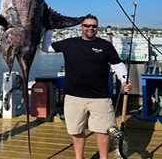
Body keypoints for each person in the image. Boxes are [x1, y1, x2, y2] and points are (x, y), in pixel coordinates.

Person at [51, 14, 132, 159]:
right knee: (76, 131)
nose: (90, 28)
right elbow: (46, 48)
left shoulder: (105, 45)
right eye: (87, 25)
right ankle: (79, 157)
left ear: (97, 28)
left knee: (103, 131)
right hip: (73, 96)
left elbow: (118, 65)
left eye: (93, 26)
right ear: (81, 27)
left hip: (100, 97)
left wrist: (125, 81)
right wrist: (49, 27)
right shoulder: (69, 43)